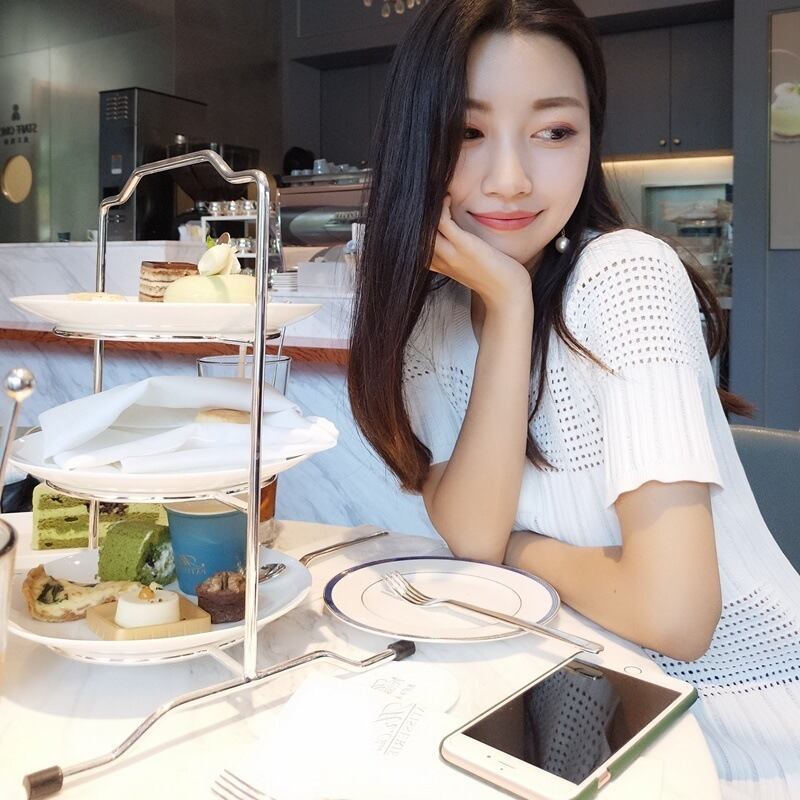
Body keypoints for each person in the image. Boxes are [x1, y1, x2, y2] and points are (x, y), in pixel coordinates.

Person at [347, 2, 800, 798]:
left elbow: (674, 616)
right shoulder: (439, 319)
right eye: (468, 131)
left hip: (740, 730)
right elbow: (472, 532)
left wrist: (518, 550)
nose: (511, 178)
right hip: (582, 712)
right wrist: (509, 308)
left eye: (554, 131)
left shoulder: (626, 275)